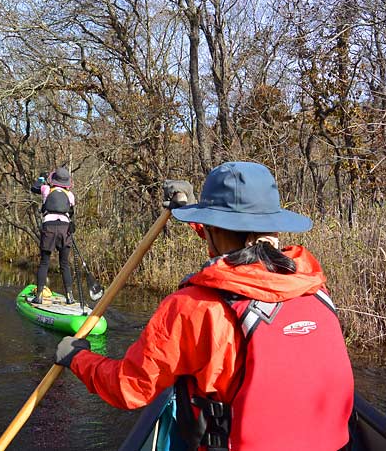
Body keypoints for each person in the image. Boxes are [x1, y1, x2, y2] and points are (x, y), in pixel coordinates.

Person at [54, 162, 354, 450]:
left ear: (213, 228)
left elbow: (130, 388)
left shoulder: (192, 307)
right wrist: (188, 209)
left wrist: (77, 357)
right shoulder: (310, 283)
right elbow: (241, 247)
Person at [30, 166, 76, 304]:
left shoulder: (46, 190)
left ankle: (38, 296)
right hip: (64, 229)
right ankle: (69, 296)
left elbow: (35, 188)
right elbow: (71, 210)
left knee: (44, 263)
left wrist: (41, 178)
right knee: (64, 264)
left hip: (49, 227)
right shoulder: (70, 195)